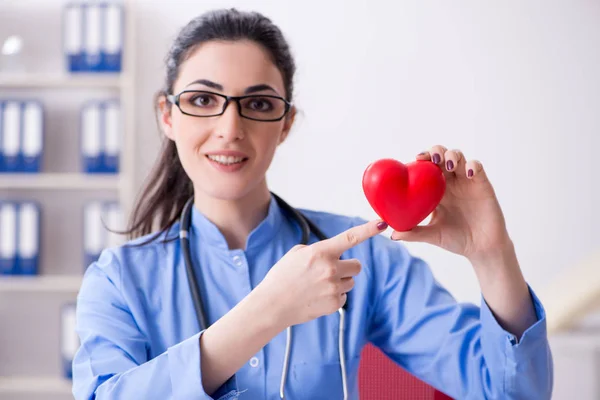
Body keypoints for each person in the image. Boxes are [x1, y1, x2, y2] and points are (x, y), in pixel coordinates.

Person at [71, 8, 553, 400]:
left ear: (285, 124)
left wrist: (492, 255)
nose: (230, 128)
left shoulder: (364, 259)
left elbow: (512, 393)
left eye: (258, 104)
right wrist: (266, 313)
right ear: (167, 116)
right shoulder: (118, 281)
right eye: (202, 100)